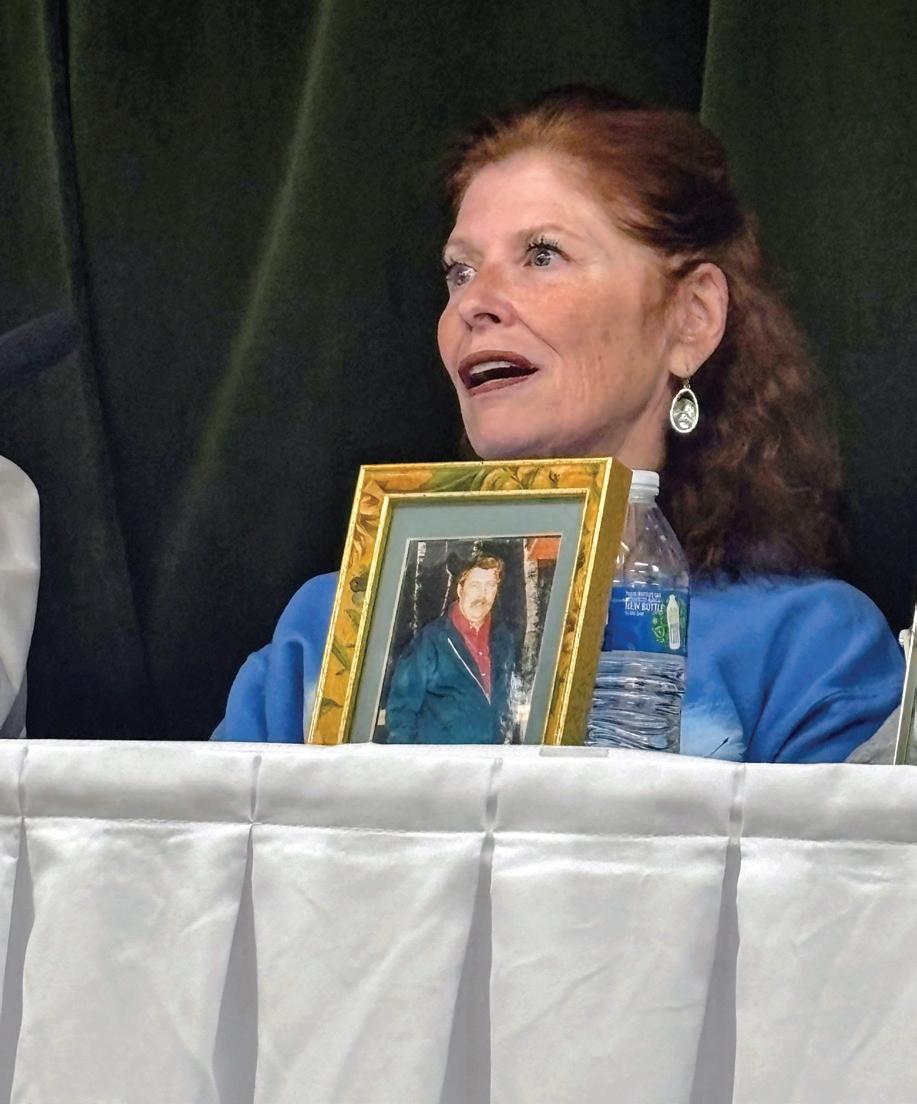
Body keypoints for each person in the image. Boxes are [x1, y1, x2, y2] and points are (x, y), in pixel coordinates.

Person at [213, 85, 903, 760]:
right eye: (459, 272)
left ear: (691, 319)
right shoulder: (334, 628)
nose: (474, 304)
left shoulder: (809, 651)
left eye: (542, 255)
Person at [384, 553, 515, 744]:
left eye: (490, 586)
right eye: (475, 585)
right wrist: (407, 758)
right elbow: (402, 710)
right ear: (460, 589)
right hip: (442, 759)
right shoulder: (430, 641)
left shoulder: (503, 640)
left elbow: (509, 702)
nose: (482, 594)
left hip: (493, 757)